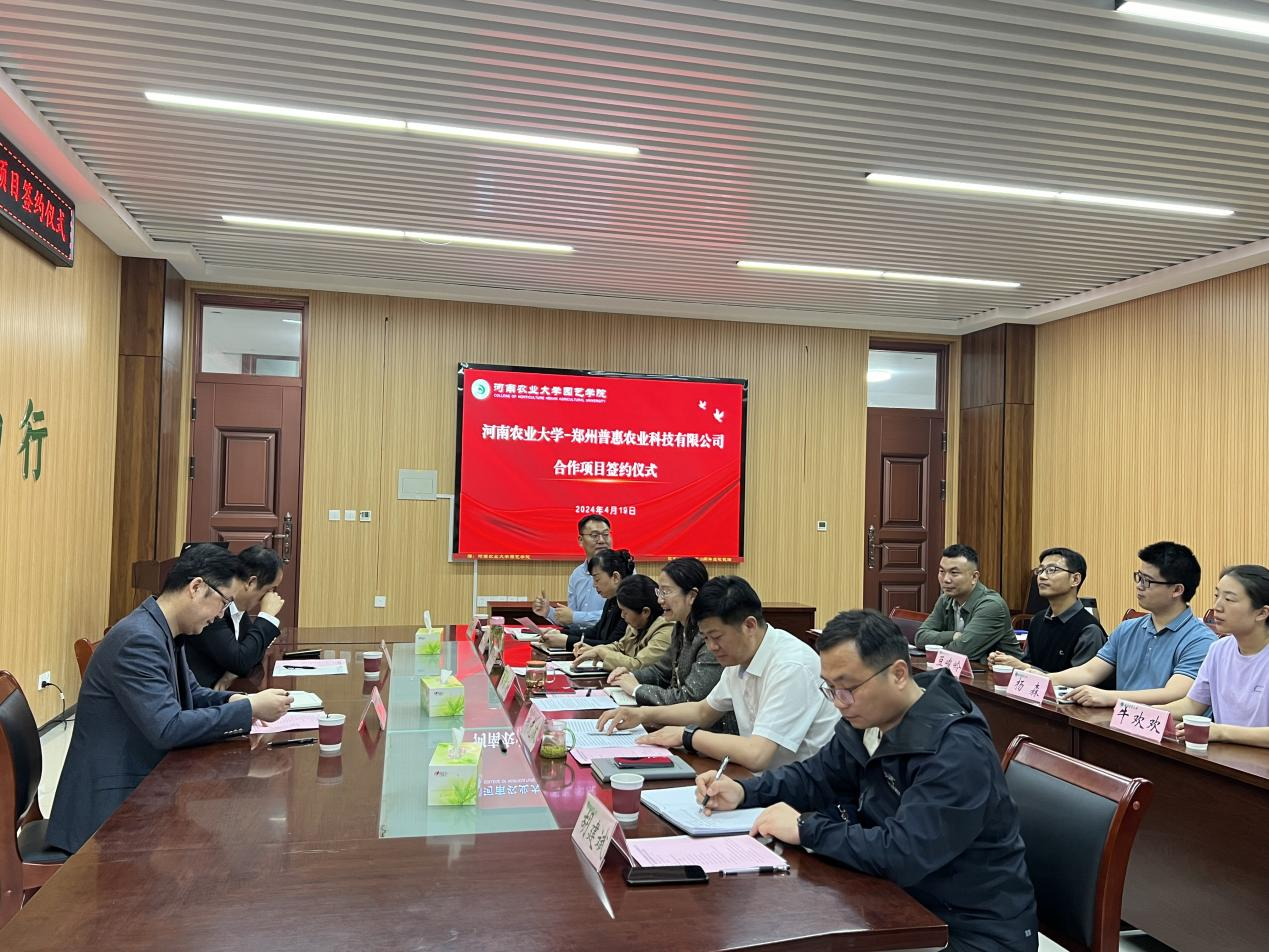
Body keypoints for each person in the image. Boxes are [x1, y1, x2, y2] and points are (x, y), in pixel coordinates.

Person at [696, 610, 1038, 952]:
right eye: (830, 688)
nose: (839, 702)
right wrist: (744, 791)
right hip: (896, 902)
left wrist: (806, 828)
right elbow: (816, 776)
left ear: (898, 674)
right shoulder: (868, 720)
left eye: (848, 688)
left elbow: (903, 853)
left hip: (970, 930)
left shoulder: (956, 750)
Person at [47, 545, 293, 854]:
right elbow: (168, 728)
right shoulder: (140, 639)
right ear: (196, 587)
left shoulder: (162, 629)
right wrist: (249, 709)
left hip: (141, 784)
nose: (221, 615)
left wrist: (237, 700)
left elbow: (193, 693)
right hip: (109, 806)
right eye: (223, 602)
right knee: (218, 852)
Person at [597, 576, 838, 771]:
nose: (711, 647)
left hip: (804, 798)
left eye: (717, 637)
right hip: (763, 781)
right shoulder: (740, 656)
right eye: (706, 638)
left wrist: (687, 736)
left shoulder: (790, 665)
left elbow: (758, 754)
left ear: (749, 625)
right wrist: (642, 714)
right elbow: (703, 711)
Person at [1048, 541, 1214, 707]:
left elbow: (1173, 694)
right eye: (1139, 577)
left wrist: (1110, 697)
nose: (1139, 586)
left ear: (1177, 590)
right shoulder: (1127, 629)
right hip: (1120, 719)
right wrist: (1045, 678)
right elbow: (1089, 671)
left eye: (1147, 581)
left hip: (1161, 722)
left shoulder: (1201, 640)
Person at [603, 558, 732, 734]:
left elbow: (690, 698)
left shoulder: (709, 638)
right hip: (681, 729)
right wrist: (630, 676)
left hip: (712, 735)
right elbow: (661, 671)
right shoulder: (680, 627)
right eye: (659, 592)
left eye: (666, 592)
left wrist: (637, 689)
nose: (660, 600)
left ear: (692, 596)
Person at [1160, 564, 1269, 748]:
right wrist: (1149, 712)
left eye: (1229, 599)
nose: (1217, 606)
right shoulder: (1218, 649)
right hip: (1222, 758)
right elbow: (1192, 705)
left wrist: (1220, 731)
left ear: (1262, 613)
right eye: (1217, 596)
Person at [180, 544, 287, 689]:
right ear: (251, 582)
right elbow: (241, 661)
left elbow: (253, 653)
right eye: (270, 589)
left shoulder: (240, 610)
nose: (270, 596)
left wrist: (230, 674)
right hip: (195, 696)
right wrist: (267, 616)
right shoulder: (215, 608)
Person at [988, 547, 1106, 676]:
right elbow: (1028, 664)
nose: (1042, 576)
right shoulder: (1037, 619)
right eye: (1040, 570)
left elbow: (1080, 682)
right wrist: (1006, 663)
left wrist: (1023, 667)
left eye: (1052, 570)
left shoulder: (1089, 630)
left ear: (1075, 579)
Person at [916, 544, 1021, 662]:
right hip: (965, 670)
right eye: (942, 571)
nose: (946, 579)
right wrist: (955, 635)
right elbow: (920, 637)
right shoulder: (946, 599)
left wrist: (936, 646)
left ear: (974, 577)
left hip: (999, 672)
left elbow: (961, 651)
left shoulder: (991, 605)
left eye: (954, 573)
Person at [538, 548, 634, 650]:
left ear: (615, 577)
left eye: (597, 579)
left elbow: (611, 645)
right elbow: (595, 632)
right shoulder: (611, 600)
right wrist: (561, 633)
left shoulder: (630, 604)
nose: (594, 584)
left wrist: (566, 641)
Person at [573, 574, 674, 671]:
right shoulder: (636, 625)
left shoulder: (666, 629)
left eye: (625, 612)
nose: (622, 615)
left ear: (645, 612)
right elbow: (620, 647)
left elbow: (639, 666)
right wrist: (595, 650)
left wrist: (602, 653)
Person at [531, 514, 611, 629]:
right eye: (594, 535)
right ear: (580, 540)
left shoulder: (622, 570)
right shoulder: (577, 574)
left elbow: (617, 616)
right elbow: (571, 620)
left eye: (606, 534)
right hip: (580, 638)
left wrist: (574, 617)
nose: (602, 540)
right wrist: (548, 612)